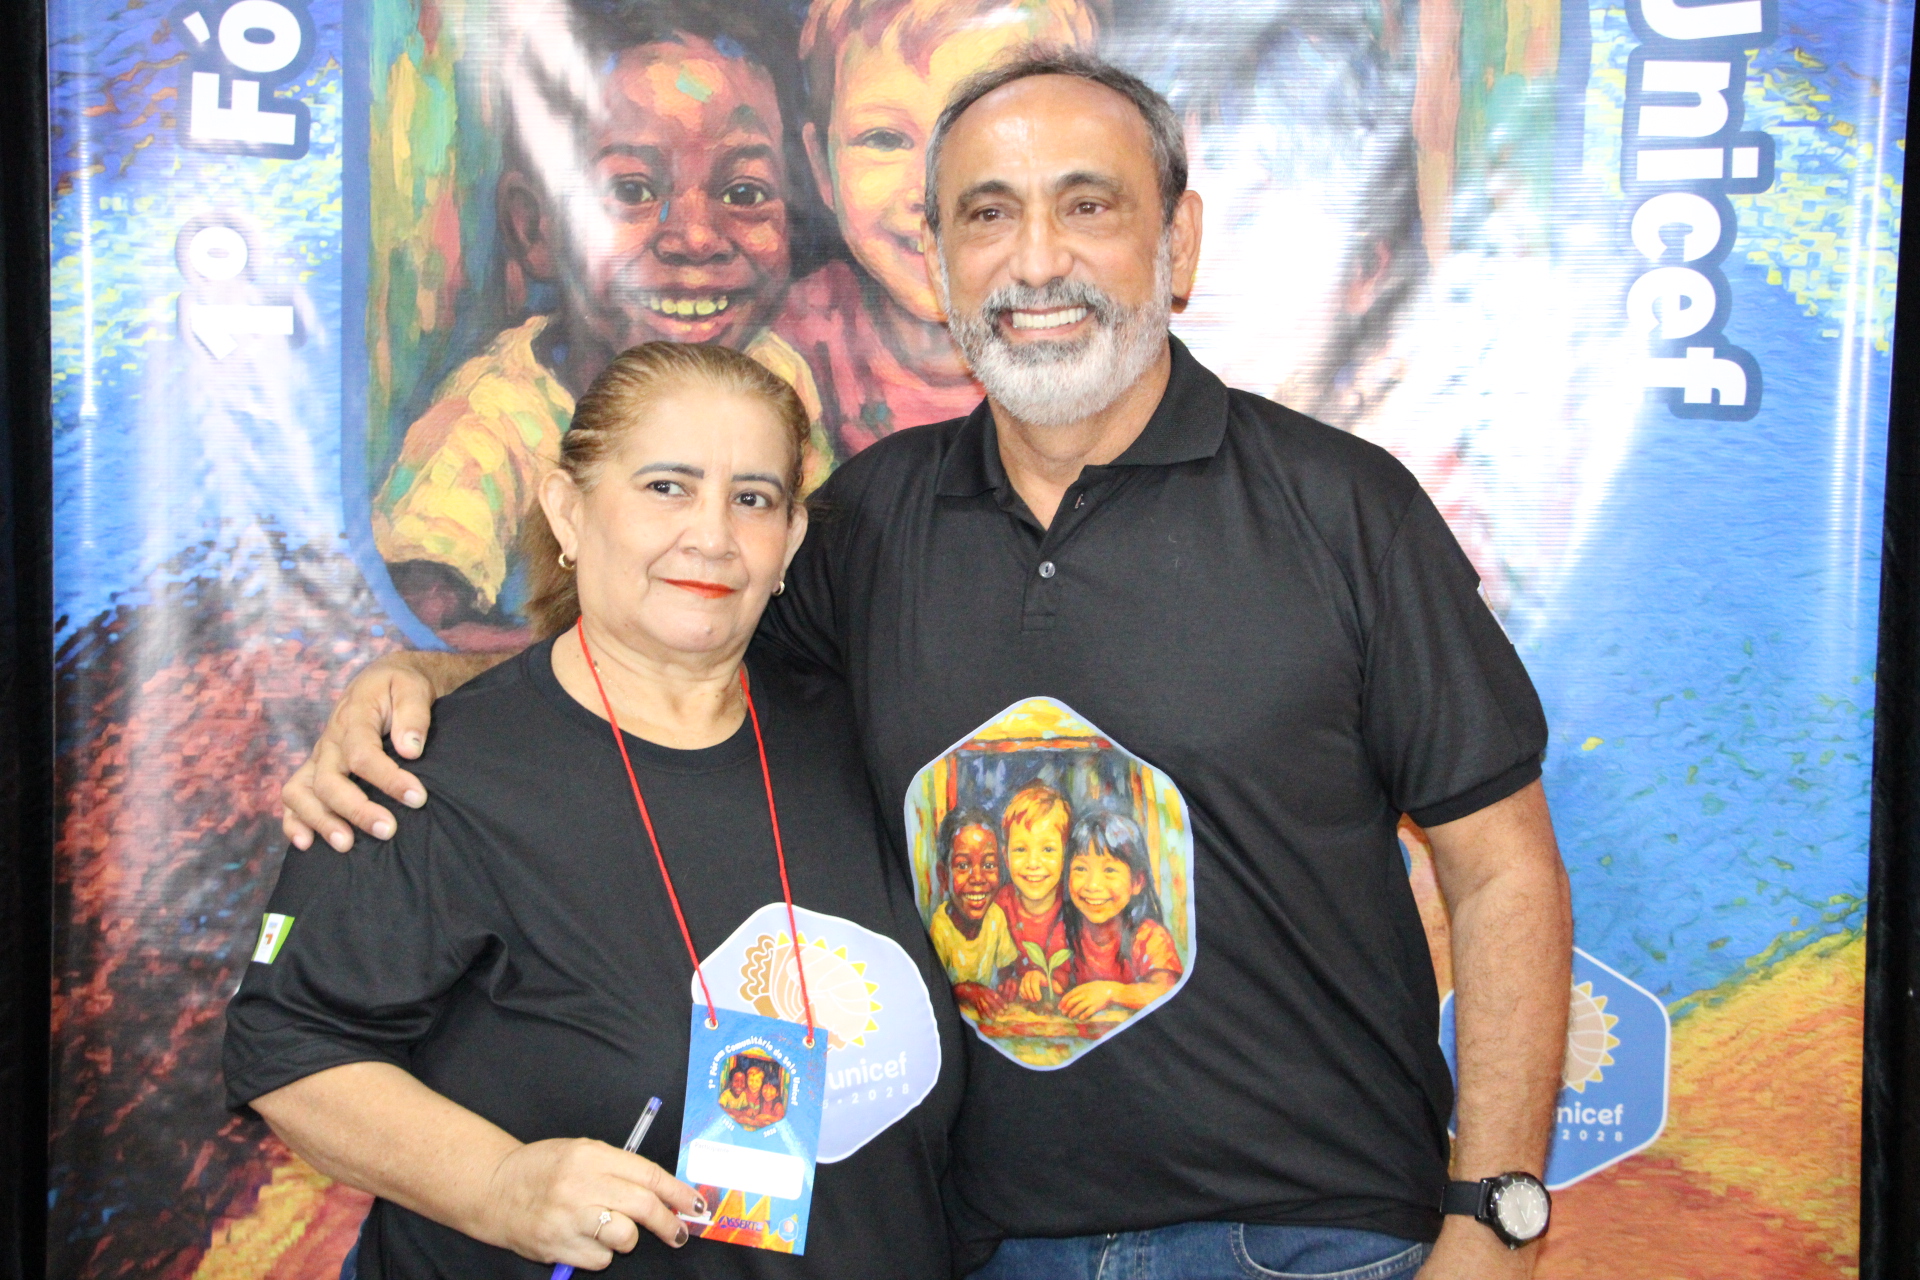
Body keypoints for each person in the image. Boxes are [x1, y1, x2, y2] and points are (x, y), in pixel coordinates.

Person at [283, 50, 1572, 1280]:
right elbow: (656, 670)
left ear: (1177, 243)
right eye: (988, 213)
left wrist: (1494, 1215)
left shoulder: (1343, 510)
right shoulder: (868, 522)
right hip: (978, 1243)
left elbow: (1501, 866)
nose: (1037, 258)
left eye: (1088, 205)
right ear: (939, 258)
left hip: (1308, 1240)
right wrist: (419, 686)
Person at [229, 343, 963, 1277]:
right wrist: (499, 1186)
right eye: (666, 487)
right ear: (568, 511)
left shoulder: (858, 732)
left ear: (790, 541)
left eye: (752, 498)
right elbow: (289, 1046)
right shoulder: (434, 773)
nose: (711, 535)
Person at [372, 0, 829, 650]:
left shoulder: (777, 377)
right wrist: (627, 665)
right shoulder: (493, 420)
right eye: (631, 191)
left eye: (745, 193)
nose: (697, 238)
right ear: (535, 229)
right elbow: (420, 626)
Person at [779, 0, 1097, 460]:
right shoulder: (796, 351)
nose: (931, 191)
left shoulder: (1096, 332)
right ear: (822, 168)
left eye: (981, 136)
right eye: (885, 139)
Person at [1056, 810, 1182, 1020]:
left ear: (1137, 882)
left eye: (1109, 870)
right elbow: (1057, 979)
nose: (1093, 885)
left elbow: (1166, 989)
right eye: (1081, 869)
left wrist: (1111, 993)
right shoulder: (1066, 931)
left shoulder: (1149, 936)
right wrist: (1040, 980)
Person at [927, 808, 1017, 1018]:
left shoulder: (995, 917)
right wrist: (966, 991)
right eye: (963, 865)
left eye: (989, 864)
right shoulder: (940, 928)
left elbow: (1007, 968)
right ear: (943, 876)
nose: (977, 878)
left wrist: (1009, 982)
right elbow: (933, 989)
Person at [990, 782, 1073, 1005]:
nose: (1033, 863)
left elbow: (1069, 976)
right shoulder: (997, 908)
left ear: (1065, 855)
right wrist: (1009, 982)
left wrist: (1047, 981)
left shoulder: (1074, 907)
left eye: (1048, 849)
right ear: (1006, 856)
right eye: (1021, 849)